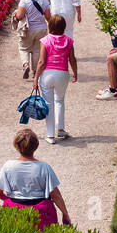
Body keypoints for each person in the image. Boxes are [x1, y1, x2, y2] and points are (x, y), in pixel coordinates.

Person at [0, 127, 72, 230]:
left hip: (15, 209)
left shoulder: (8, 166)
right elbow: (55, 194)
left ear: (16, 146)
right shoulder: (44, 167)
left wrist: (9, 201)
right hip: (42, 211)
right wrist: (65, 213)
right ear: (36, 146)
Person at [32, 13, 78, 143]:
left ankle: (50, 135)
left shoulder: (45, 40)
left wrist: (36, 78)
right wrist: (75, 72)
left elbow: (41, 62)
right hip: (63, 73)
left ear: (50, 26)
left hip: (47, 74)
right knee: (60, 101)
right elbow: (72, 59)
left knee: (49, 104)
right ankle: (61, 129)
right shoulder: (69, 41)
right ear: (64, 27)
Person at [13, 0, 50, 78]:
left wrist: (15, 14)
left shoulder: (24, 1)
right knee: (37, 50)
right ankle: (35, 71)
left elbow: (20, 16)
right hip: (41, 29)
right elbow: (48, 17)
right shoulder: (44, 2)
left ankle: (26, 64)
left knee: (23, 48)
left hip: (28, 29)